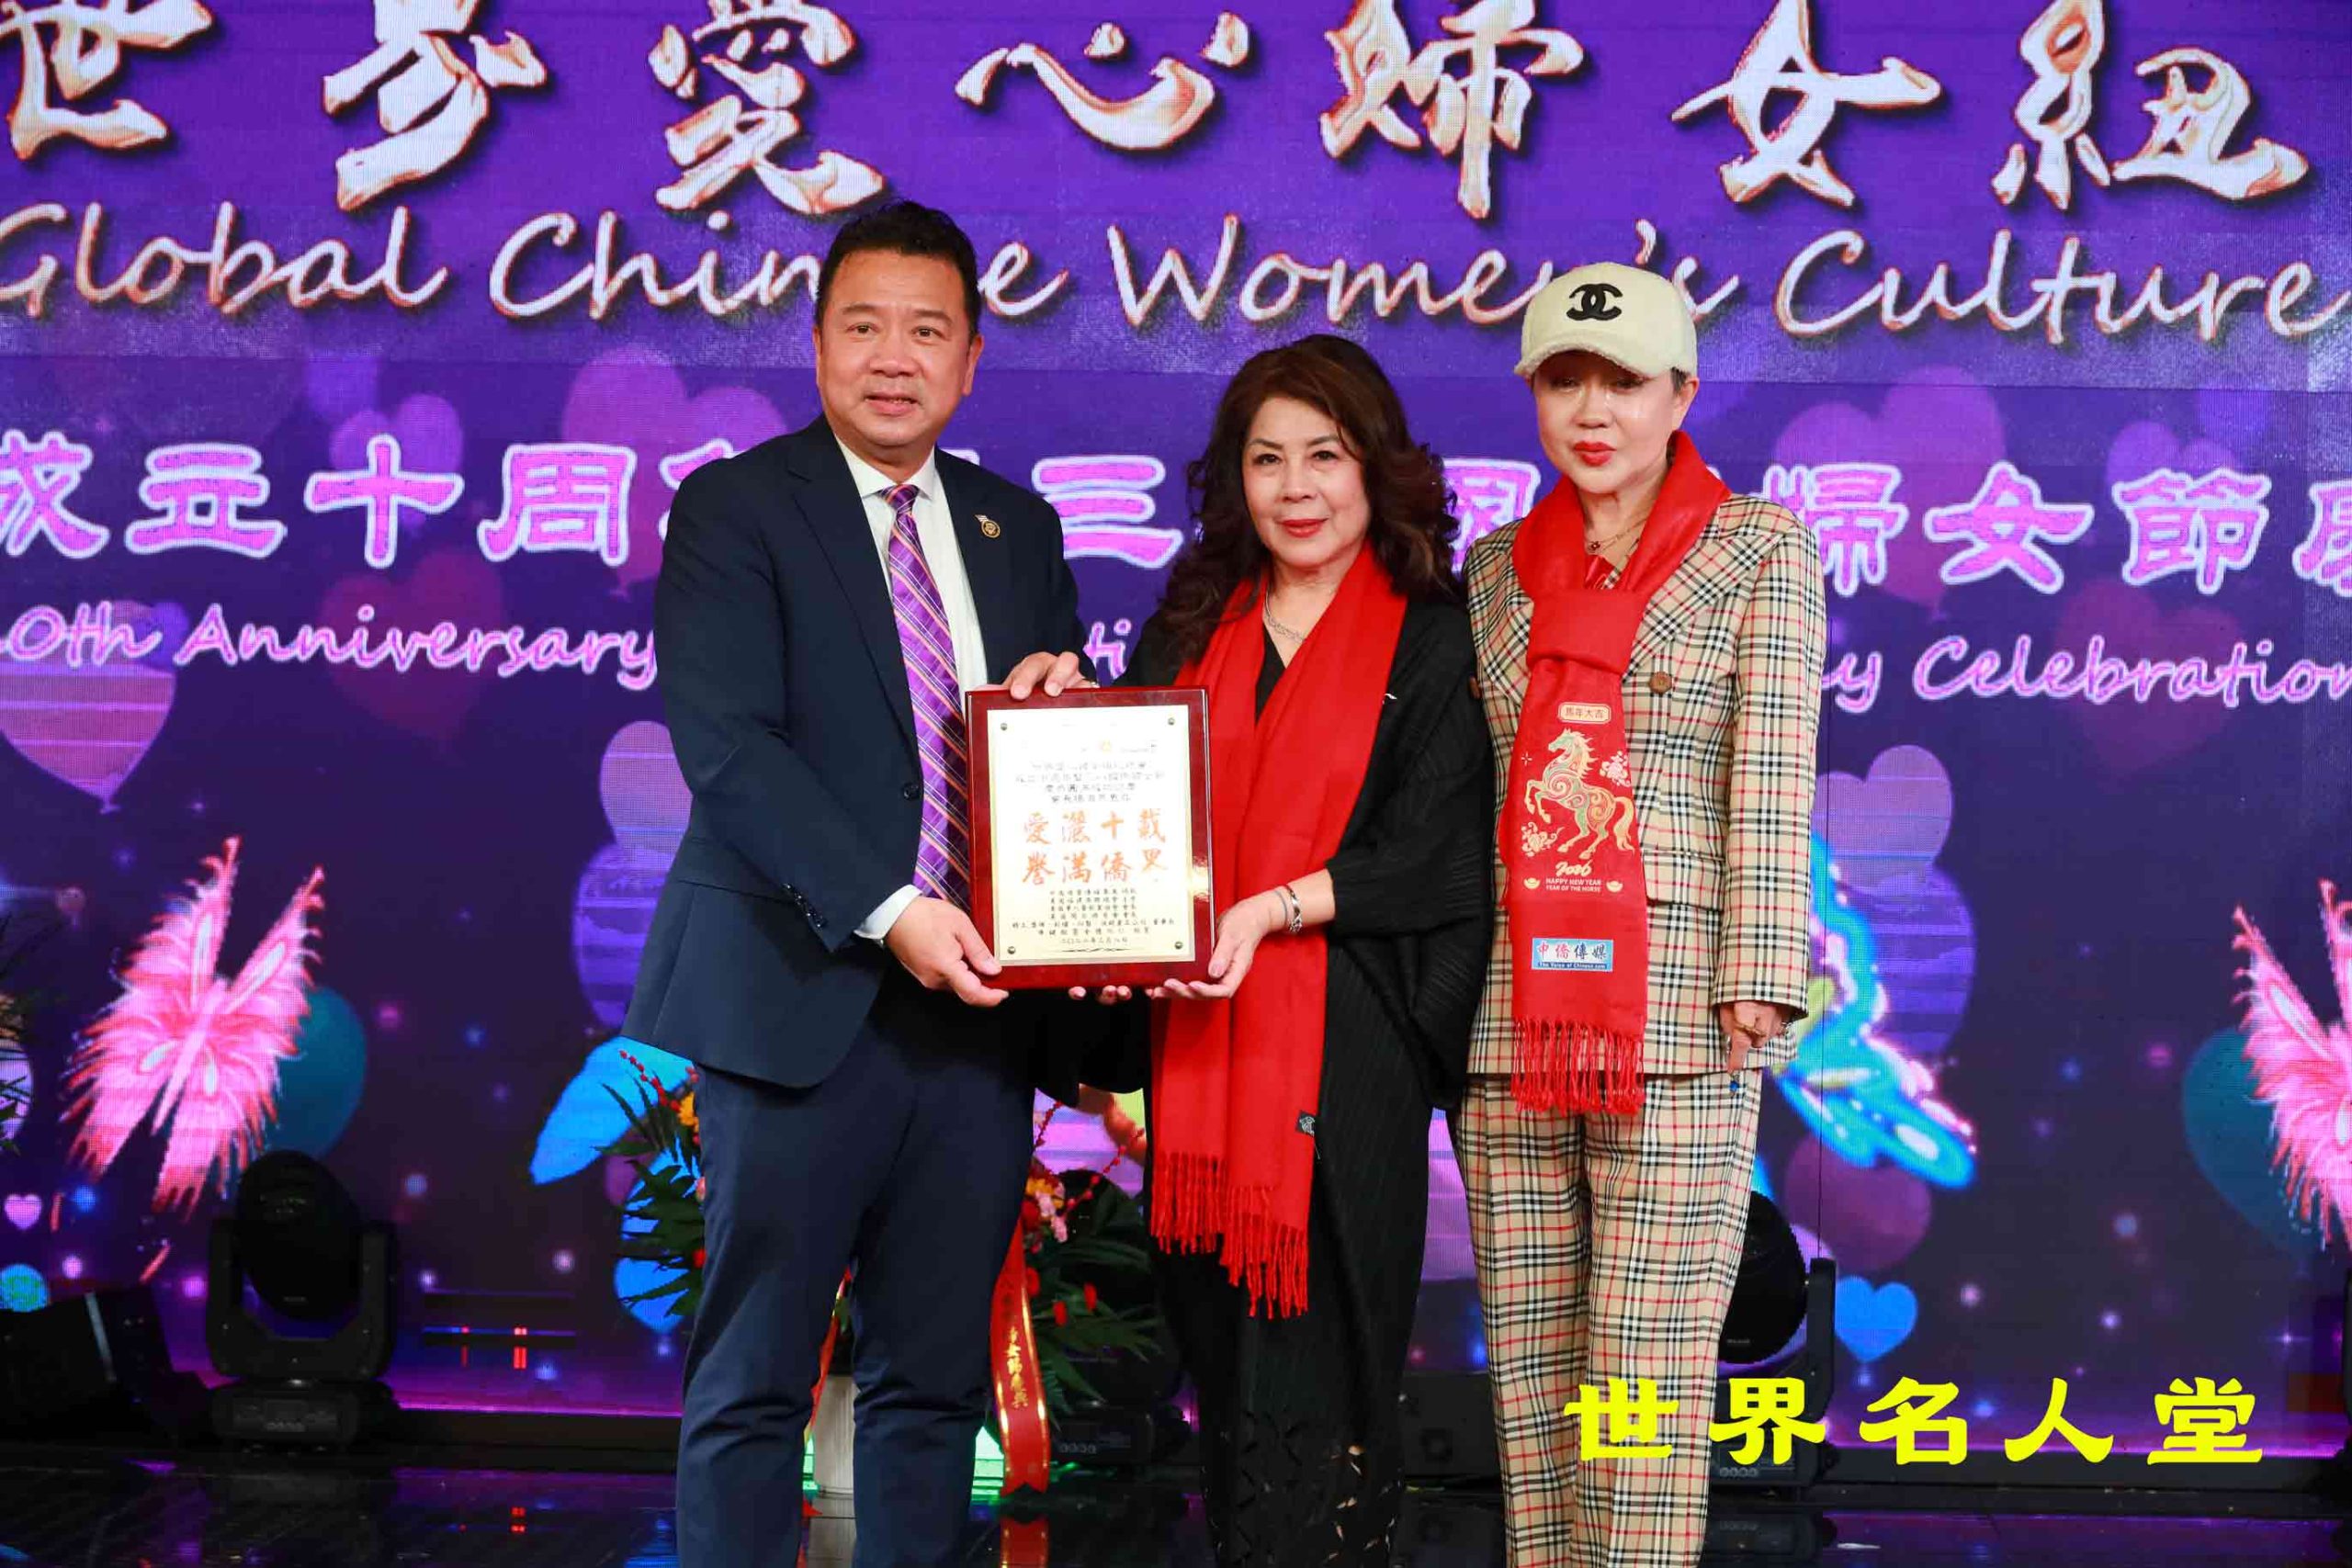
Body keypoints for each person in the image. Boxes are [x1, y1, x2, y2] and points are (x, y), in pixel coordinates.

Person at [625, 199, 1091, 1568]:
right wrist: (895, 912)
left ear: (971, 358)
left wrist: (1066, 703)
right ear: (818, 342)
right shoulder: (736, 509)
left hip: (976, 1020)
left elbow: (1041, 748)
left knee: (933, 1389)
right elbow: (731, 750)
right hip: (797, 996)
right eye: (864, 327)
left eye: (927, 332)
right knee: (754, 1381)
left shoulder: (1017, 527)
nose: (895, 358)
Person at [1086, 337, 1492, 1562]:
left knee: (1334, 1359)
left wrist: (1275, 909)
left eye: (1327, 455)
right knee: (1222, 1367)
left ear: (1377, 470)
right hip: (1199, 1057)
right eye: (1268, 460)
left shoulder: (1436, 636)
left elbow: (1440, 850)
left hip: (1353, 1047)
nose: (1298, 487)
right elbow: (1126, 813)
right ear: (1235, 479)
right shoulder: (1190, 626)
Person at [1455, 264, 1826, 1567]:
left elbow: (1772, 770)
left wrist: (1761, 972)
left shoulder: (1760, 548)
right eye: (1565, 381)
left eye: (1623, 382)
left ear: (1683, 394)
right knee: (1535, 1381)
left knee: (1643, 1382)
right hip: (1511, 1015)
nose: (1593, 410)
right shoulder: (1493, 568)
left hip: (1679, 1013)